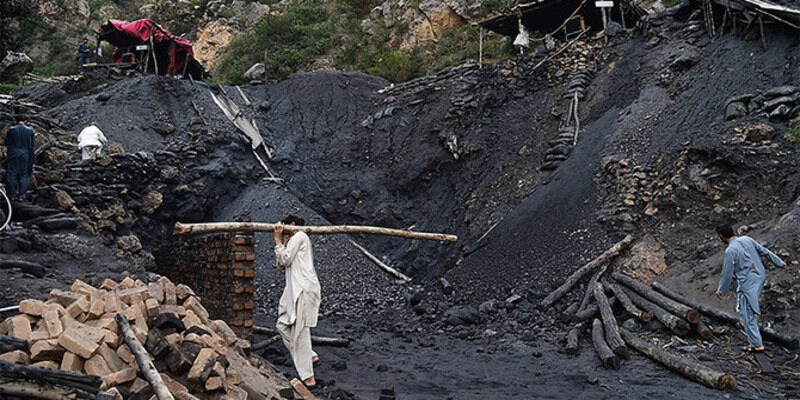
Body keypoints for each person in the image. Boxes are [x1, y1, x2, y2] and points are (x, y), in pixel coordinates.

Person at [715, 223, 785, 352]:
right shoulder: (747, 239)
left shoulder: (730, 250)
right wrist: (779, 261)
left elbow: (727, 272)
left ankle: (757, 345)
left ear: (721, 236)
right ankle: (756, 340)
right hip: (760, 274)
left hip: (748, 281)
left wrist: (721, 290)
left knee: (746, 311)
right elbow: (764, 250)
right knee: (748, 308)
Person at [273, 213, 321, 388]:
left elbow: (284, 260)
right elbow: (280, 264)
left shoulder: (300, 235)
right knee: (282, 325)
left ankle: (308, 377)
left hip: (302, 288)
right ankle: (309, 355)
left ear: (292, 225)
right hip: (293, 289)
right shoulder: (294, 240)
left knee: (300, 332)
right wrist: (283, 242)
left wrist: (278, 240)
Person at [3, 115, 36, 201]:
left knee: (11, 174)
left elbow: (6, 142)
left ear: (16, 120)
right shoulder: (30, 131)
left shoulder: (11, 130)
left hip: (13, 154)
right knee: (24, 175)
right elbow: (32, 145)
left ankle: (13, 195)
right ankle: (22, 196)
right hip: (25, 155)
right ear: (25, 121)